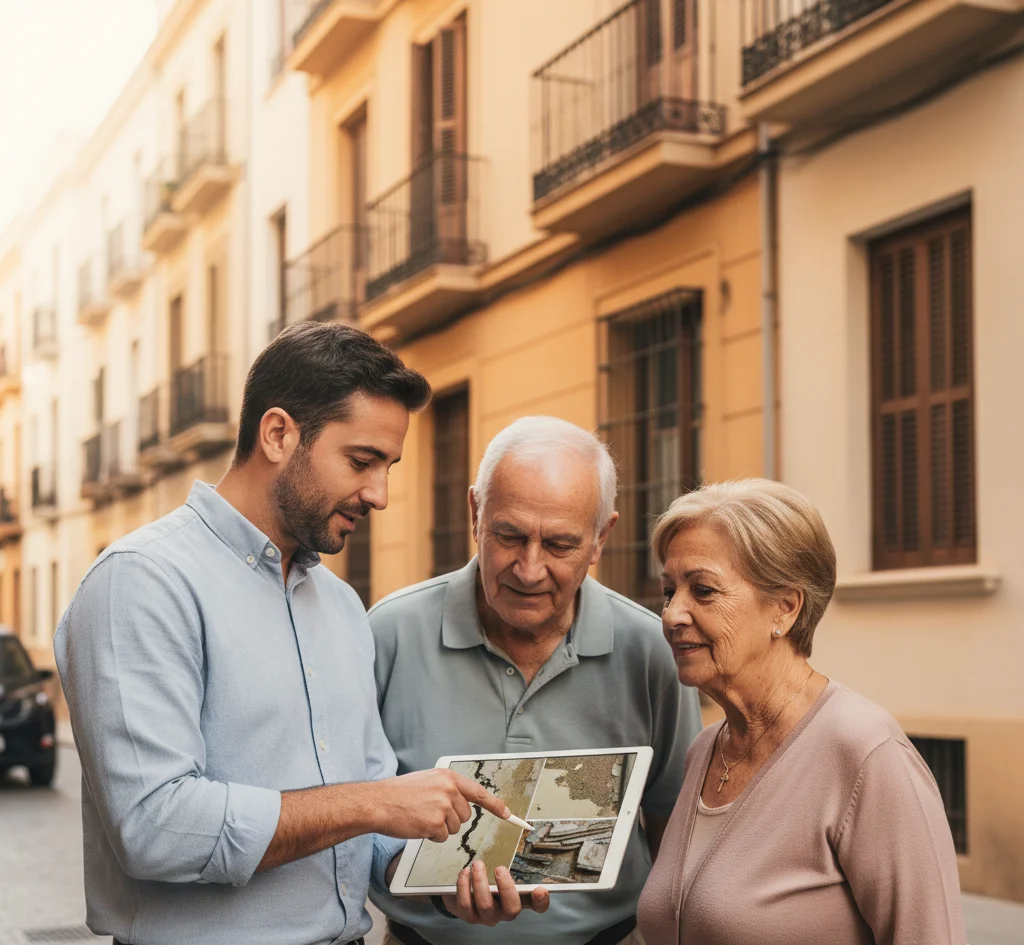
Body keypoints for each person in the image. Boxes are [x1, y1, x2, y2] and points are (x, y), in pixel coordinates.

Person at [53, 323, 540, 945]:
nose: (380, 494)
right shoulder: (141, 583)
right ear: (278, 433)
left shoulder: (339, 606)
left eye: (388, 466)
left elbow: (361, 837)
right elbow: (155, 829)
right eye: (361, 461)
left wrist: (442, 882)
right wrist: (372, 802)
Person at [370, 416, 702, 945]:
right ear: (475, 512)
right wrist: (428, 890)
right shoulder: (387, 634)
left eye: (560, 544)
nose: (529, 569)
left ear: (600, 539)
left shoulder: (652, 651)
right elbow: (354, 815)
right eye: (509, 535)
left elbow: (673, 829)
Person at [637, 478, 967, 945]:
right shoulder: (705, 749)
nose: (672, 615)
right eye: (670, 591)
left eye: (704, 590)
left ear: (786, 609)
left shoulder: (865, 752)